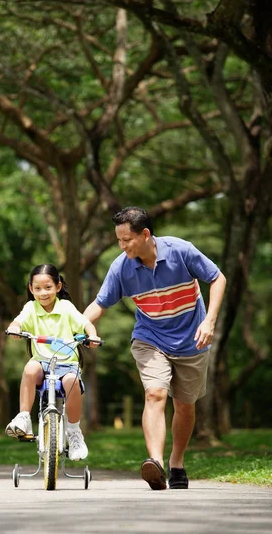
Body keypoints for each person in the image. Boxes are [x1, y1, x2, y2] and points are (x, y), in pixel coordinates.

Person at [83, 207, 226, 489]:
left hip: (191, 340)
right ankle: (155, 463)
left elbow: (217, 278)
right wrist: (77, 326)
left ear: (145, 234)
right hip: (150, 337)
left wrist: (209, 321)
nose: (122, 246)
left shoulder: (180, 251)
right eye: (118, 241)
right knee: (155, 393)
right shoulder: (122, 267)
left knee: (184, 406)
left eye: (127, 240)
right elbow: (99, 305)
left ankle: (177, 462)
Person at [5, 263, 101, 461]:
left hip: (67, 364)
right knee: (30, 368)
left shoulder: (66, 307)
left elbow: (85, 323)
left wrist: (92, 336)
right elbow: (18, 322)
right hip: (42, 362)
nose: (43, 293)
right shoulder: (30, 308)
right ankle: (23, 417)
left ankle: (74, 432)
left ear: (58, 286)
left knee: (71, 381)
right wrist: (14, 328)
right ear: (31, 289)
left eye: (48, 287)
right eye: (37, 288)